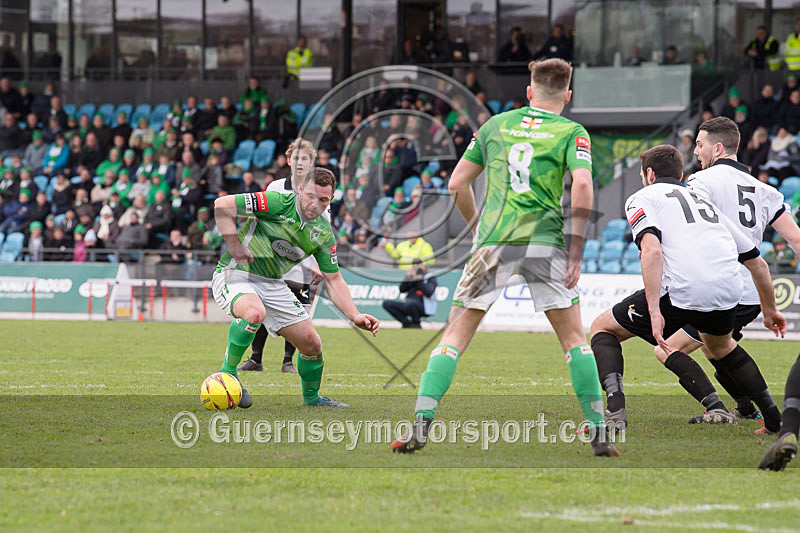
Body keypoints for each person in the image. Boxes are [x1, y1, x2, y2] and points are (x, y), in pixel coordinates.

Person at [391, 58, 616, 456]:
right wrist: (576, 247)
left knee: (454, 338)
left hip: (493, 240)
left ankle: (421, 422)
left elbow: (457, 182)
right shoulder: (571, 131)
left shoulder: (495, 126)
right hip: (544, 242)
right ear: (568, 96)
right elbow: (582, 183)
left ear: (528, 92)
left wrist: (478, 227)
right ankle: (598, 431)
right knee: (574, 341)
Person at [593, 123, 793, 432]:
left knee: (605, 328)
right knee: (721, 347)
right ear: (682, 174)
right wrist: (770, 310)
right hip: (733, 288)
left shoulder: (646, 196)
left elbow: (653, 251)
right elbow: (759, 264)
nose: (697, 151)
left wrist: (656, 312)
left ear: (648, 175)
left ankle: (616, 412)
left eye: (700, 145)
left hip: (687, 287)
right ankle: (772, 418)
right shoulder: (708, 203)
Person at [211, 167, 380, 409]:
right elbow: (222, 204)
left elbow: (334, 279)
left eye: (323, 199)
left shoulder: (322, 233)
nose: (315, 204)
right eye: (310, 196)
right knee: (254, 313)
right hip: (237, 274)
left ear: (331, 200)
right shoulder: (276, 201)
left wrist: (355, 315)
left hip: (273, 283)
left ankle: (312, 399)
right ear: (300, 189)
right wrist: (234, 244)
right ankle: (227, 376)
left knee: (312, 343)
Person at [240, 138, 322, 374]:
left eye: (305, 158)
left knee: (297, 310)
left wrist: (315, 262)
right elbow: (262, 219)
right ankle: (255, 359)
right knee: (262, 307)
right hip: (271, 260)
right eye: (295, 158)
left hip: (302, 263)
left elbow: (319, 231)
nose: (299, 163)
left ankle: (288, 361)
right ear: (288, 160)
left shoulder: (318, 192)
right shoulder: (275, 187)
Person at [382, 259, 437, 328]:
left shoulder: (429, 277)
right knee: (387, 304)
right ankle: (406, 323)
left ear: (424, 266)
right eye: (414, 265)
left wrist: (418, 278)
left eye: (419, 265)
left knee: (411, 303)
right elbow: (402, 289)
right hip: (408, 304)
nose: (416, 267)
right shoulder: (411, 276)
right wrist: (407, 278)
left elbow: (429, 292)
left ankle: (416, 323)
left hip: (424, 306)